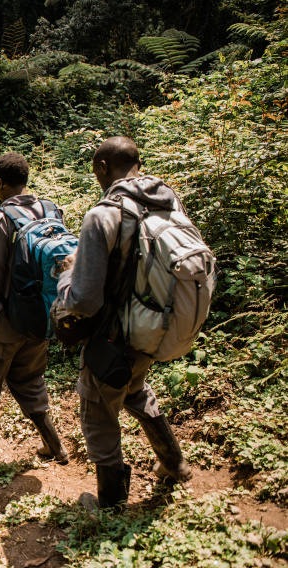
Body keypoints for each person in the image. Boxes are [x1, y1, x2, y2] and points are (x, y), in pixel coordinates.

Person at [56, 136, 192, 510]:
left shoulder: (103, 215)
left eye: (95, 171)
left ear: (102, 167)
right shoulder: (170, 202)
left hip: (114, 338)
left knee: (98, 411)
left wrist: (66, 276)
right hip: (157, 326)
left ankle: (110, 504)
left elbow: (85, 301)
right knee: (134, 389)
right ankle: (175, 464)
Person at [0, 153, 69, 466]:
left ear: (0, 183)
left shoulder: (2, 219)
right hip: (41, 316)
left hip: (5, 322)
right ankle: (55, 446)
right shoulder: (51, 209)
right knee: (31, 380)